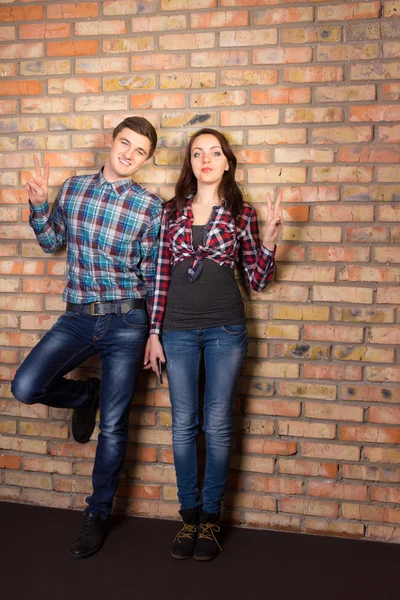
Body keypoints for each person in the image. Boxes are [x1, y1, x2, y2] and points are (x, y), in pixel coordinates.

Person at [11, 116, 163, 559]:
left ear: (146, 160)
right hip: (77, 316)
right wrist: (40, 205)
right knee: (26, 386)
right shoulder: (75, 188)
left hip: (127, 323)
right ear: (111, 142)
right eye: (125, 143)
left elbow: (153, 277)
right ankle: (83, 395)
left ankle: (96, 514)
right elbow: (52, 241)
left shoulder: (150, 206)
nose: (129, 154)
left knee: (115, 427)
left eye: (139, 152)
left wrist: (155, 332)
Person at [145, 128, 283, 561]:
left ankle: (211, 520)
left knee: (218, 426)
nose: (206, 159)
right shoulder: (170, 213)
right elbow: (160, 278)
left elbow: (257, 281)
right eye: (197, 153)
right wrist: (153, 332)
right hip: (178, 331)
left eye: (215, 152)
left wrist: (273, 237)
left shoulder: (243, 214)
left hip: (226, 331)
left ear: (227, 162)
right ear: (190, 163)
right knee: (184, 424)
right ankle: (188, 518)